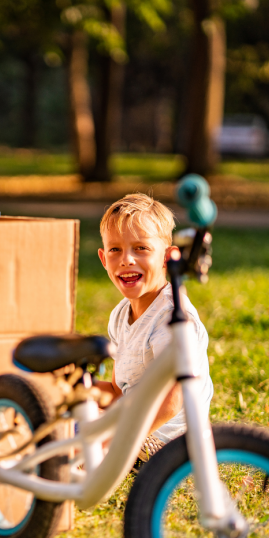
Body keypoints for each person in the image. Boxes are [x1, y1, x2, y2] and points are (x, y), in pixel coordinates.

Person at [94, 193, 214, 462]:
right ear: (103, 259)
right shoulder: (120, 315)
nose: (126, 260)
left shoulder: (171, 317)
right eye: (115, 250)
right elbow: (116, 391)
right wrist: (82, 391)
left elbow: (174, 400)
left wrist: (116, 441)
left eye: (141, 248)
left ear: (167, 257)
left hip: (166, 444)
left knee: (73, 440)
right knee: (64, 414)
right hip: (133, 425)